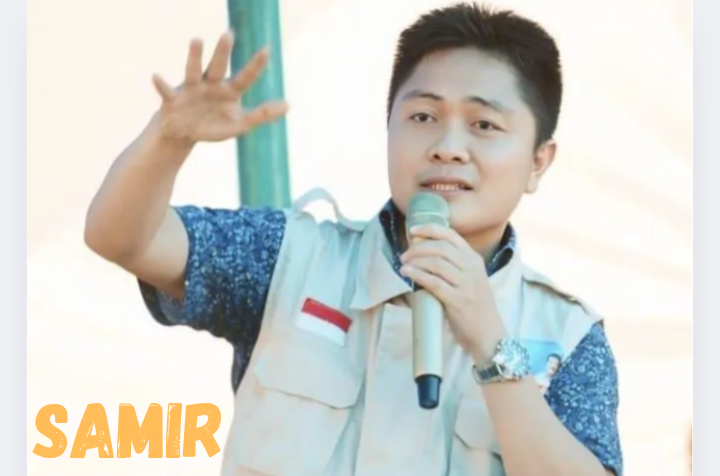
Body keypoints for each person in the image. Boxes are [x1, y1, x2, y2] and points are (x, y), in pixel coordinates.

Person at [84, 2, 623, 475]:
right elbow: (122, 238)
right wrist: (167, 141)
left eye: (484, 125)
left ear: (538, 161)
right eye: (423, 116)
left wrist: (492, 345)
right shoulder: (291, 258)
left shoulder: (568, 337)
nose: (447, 146)